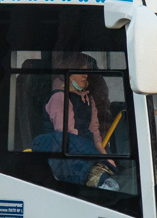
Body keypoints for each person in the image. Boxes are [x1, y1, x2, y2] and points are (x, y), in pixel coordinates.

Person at [37, 54, 119, 190]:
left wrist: (106, 156)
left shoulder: (88, 98)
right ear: (68, 75)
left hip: (84, 149)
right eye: (80, 71)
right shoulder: (59, 98)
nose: (85, 75)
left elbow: (94, 131)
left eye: (86, 71)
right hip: (65, 153)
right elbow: (69, 137)